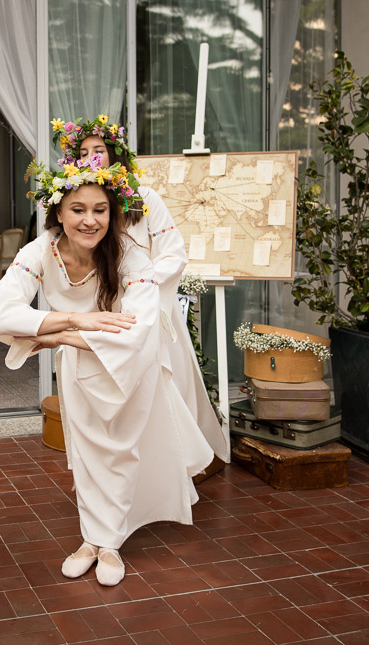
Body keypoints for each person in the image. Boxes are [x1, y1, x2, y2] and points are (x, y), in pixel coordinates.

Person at [0, 152, 213, 586]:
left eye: (100, 210)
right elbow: (4, 314)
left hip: (131, 368)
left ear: (114, 213)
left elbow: (136, 328)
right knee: (88, 456)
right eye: (78, 209)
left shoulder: (130, 253)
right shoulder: (40, 251)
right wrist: (76, 321)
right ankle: (91, 539)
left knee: (121, 452)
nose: (89, 220)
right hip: (80, 366)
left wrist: (51, 335)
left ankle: (109, 544)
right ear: (57, 211)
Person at [61, 115, 229, 462]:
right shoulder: (76, 206)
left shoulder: (145, 198)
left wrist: (142, 284)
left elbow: (175, 253)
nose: (90, 157)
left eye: (99, 150)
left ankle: (166, 467)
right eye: (83, 152)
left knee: (157, 394)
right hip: (102, 315)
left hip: (148, 312)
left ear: (114, 156)